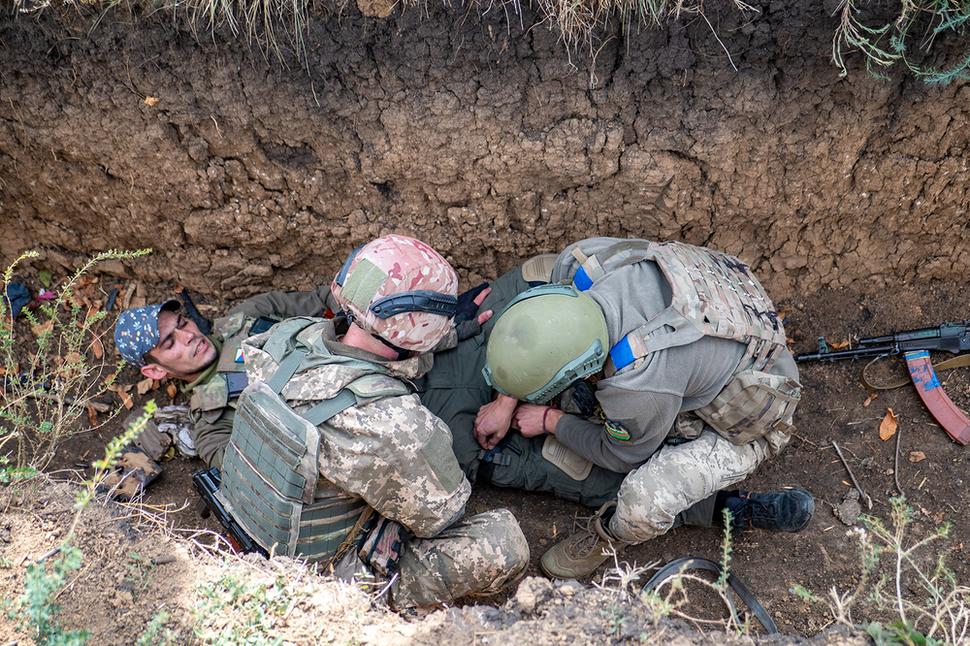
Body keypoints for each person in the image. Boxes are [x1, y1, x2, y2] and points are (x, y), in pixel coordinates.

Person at [115, 235, 528, 608]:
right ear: (155, 371)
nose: (187, 337)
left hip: (374, 377)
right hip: (332, 539)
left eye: (182, 324)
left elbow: (328, 309)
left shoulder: (267, 334)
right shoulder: (214, 415)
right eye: (169, 343)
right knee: (498, 535)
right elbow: (439, 511)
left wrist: (422, 320)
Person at [479, 237, 815, 579]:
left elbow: (623, 455)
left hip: (750, 411)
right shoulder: (581, 265)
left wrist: (551, 420)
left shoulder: (637, 386)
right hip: (731, 313)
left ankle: (611, 534)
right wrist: (507, 399)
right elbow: (541, 328)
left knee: (645, 498)